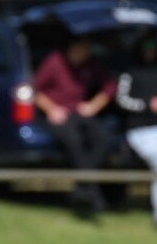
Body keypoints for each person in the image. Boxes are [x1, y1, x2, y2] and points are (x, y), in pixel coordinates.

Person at [33, 38, 117, 211]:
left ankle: (83, 187)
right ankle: (93, 193)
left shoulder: (91, 65)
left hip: (79, 112)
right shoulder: (55, 61)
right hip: (57, 115)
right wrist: (51, 109)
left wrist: (94, 105)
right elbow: (34, 89)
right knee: (74, 139)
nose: (82, 54)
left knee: (103, 136)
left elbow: (110, 86)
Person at [116, 35, 157, 226]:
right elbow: (122, 100)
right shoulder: (129, 73)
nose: (149, 53)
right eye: (146, 48)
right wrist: (147, 105)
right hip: (140, 130)